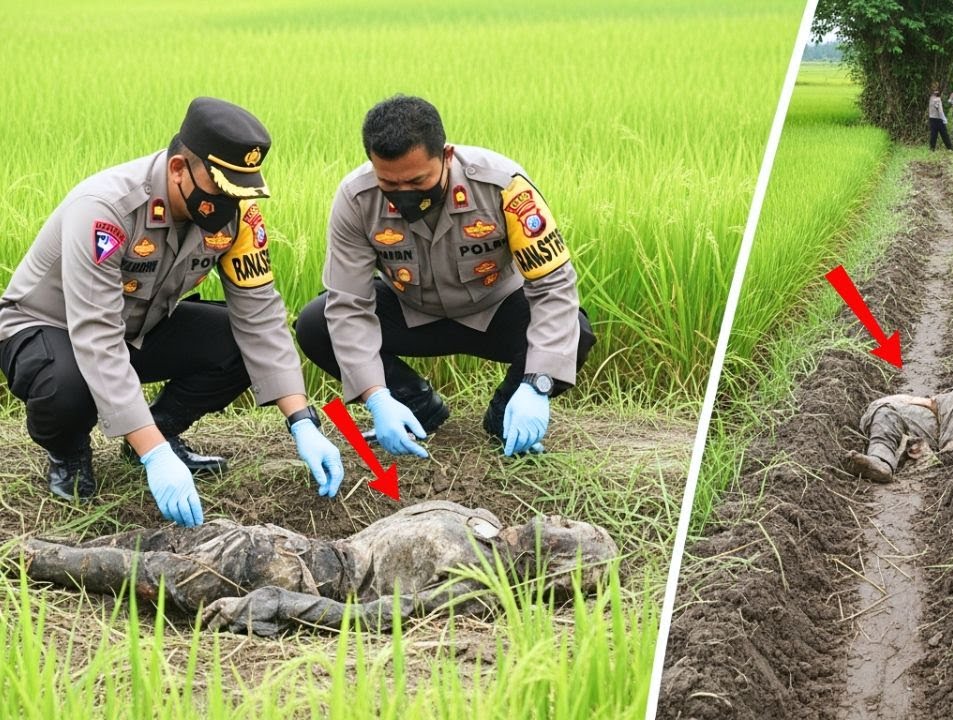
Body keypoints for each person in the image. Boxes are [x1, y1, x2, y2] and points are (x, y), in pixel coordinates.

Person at [0, 98, 345, 527]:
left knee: (237, 345)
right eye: (220, 188)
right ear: (180, 168)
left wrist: (302, 422)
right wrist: (156, 457)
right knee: (68, 386)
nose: (228, 204)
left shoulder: (236, 216)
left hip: (140, 327)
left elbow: (260, 316)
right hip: (51, 328)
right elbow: (97, 337)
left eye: (239, 191)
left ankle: (159, 428)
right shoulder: (107, 210)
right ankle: (69, 453)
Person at [296, 96, 595, 459]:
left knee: (574, 331)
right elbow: (349, 304)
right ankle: (414, 408)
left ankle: (506, 417)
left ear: (447, 156)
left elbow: (553, 286)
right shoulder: (356, 198)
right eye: (389, 182)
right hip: (411, 311)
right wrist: (375, 396)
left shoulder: (503, 185)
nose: (404, 194)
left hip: (495, 309)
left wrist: (539, 383)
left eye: (418, 180)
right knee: (317, 323)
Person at [20, 500, 619, 636]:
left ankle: (20, 557)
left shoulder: (476, 586)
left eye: (568, 534)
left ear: (554, 564)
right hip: (283, 540)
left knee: (130, 568)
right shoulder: (486, 522)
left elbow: (377, 617)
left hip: (291, 574)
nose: (556, 521)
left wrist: (280, 604)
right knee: (142, 538)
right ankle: (31, 546)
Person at [927, 84, 953, 152]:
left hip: (931, 118)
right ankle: (950, 148)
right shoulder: (937, 99)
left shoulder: (931, 98)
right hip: (938, 119)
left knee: (933, 134)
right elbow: (940, 111)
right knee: (944, 134)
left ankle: (932, 149)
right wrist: (944, 119)